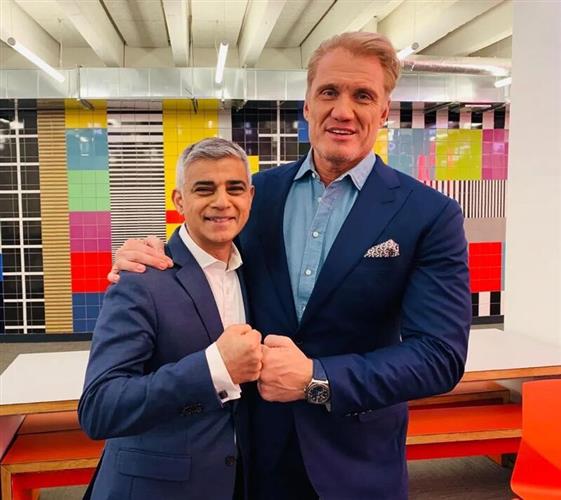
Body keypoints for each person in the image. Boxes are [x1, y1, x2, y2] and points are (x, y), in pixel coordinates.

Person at [110, 32, 471, 500]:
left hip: (357, 458)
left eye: (363, 96)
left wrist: (317, 379)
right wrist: (146, 252)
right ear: (307, 104)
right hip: (255, 452)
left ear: (384, 111)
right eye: (329, 92)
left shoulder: (428, 215)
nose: (343, 110)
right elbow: (200, 252)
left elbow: (439, 357)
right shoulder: (255, 195)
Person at [79, 137, 262, 500]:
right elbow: (100, 407)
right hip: (156, 487)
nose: (222, 201)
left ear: (250, 197)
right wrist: (215, 368)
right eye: (204, 189)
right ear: (179, 200)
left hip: (235, 482)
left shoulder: (253, 271)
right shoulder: (141, 279)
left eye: (235, 188)